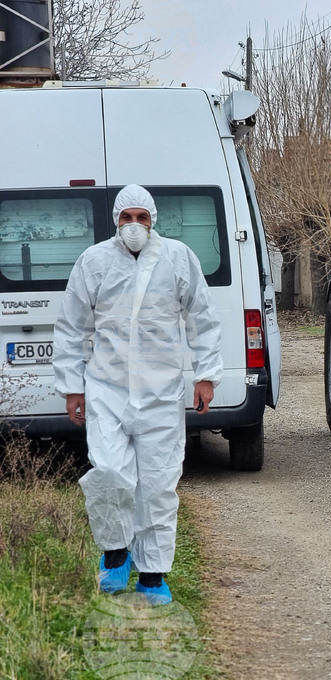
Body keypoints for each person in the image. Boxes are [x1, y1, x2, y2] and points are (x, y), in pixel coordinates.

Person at [53, 184, 223, 606]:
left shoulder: (177, 258)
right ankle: (115, 553)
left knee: (159, 483)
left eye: (141, 218)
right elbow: (72, 325)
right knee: (109, 472)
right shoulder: (94, 261)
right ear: (115, 221)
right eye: (126, 218)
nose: (133, 226)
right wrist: (73, 386)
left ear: (153, 221)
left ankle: (153, 575)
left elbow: (202, 318)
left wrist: (206, 375)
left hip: (161, 391)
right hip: (107, 387)